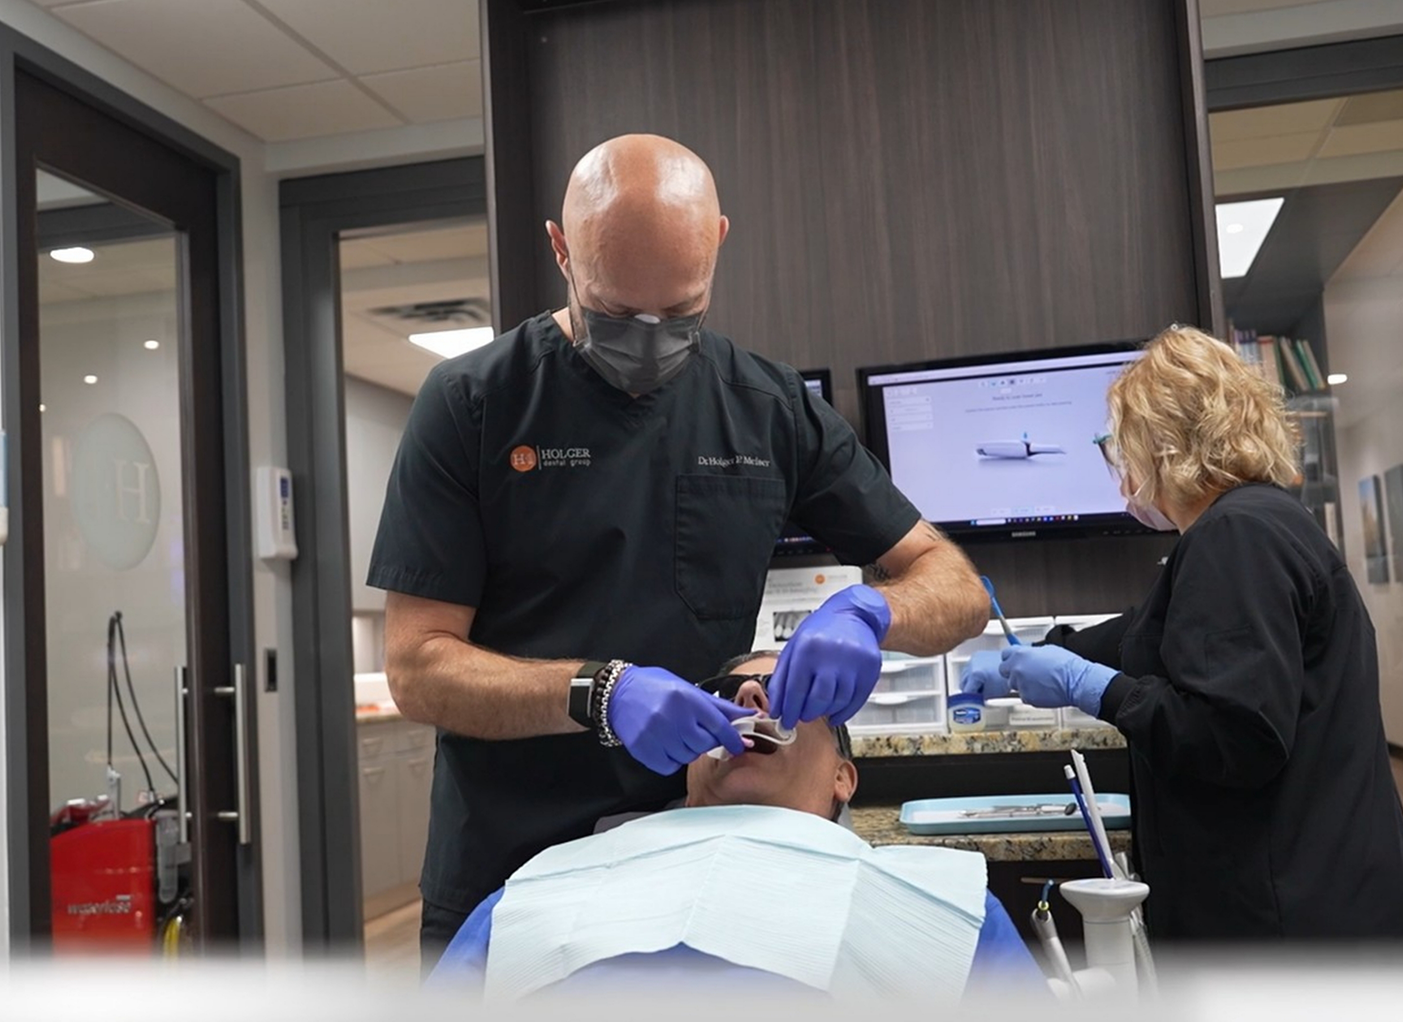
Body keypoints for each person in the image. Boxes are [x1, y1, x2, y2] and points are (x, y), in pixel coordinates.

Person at [368, 133, 990, 961]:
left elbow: (956, 587)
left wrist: (872, 611)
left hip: (706, 867)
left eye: (682, 312)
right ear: (561, 249)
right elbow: (416, 668)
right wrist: (596, 693)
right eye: (617, 313)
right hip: (513, 869)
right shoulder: (473, 404)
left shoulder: (767, 408)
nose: (651, 339)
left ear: (718, 243)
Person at [963, 325, 1403, 954]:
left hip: (1290, 929)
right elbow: (1151, 632)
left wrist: (1093, 689)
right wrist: (1051, 650)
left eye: (1118, 445)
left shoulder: (1236, 536)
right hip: (1325, 898)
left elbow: (1233, 738)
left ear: (1162, 443)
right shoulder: (1258, 521)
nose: (1119, 467)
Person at [426, 652, 1043, 998]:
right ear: (686, 760)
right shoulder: (536, 891)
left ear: (843, 778)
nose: (748, 697)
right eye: (722, 690)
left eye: (788, 688)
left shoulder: (945, 907)